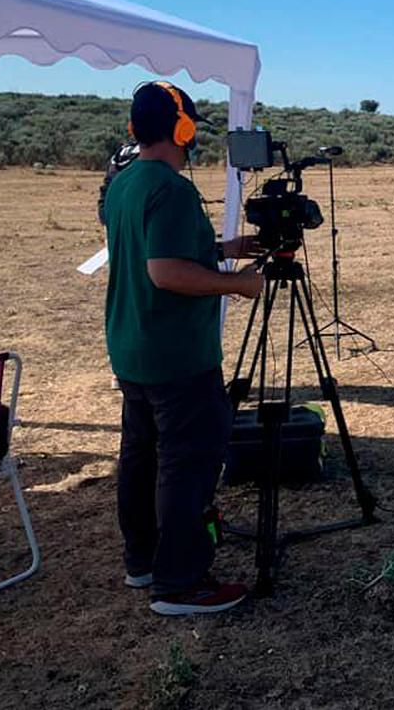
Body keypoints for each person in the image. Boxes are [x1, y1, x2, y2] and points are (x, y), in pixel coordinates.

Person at [104, 81, 264, 616]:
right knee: (188, 462)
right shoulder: (170, 189)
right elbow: (167, 271)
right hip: (176, 355)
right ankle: (182, 582)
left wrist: (223, 248)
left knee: (141, 457)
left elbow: (160, 249)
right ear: (183, 129)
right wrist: (237, 283)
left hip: (135, 350)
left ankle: (144, 561)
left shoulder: (126, 183)